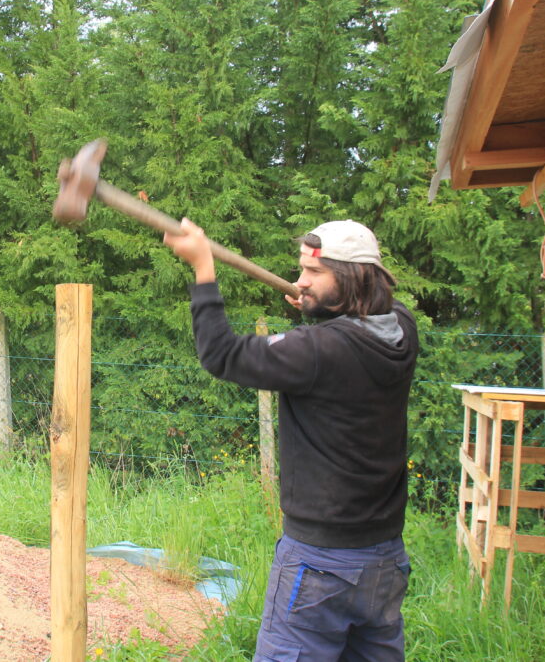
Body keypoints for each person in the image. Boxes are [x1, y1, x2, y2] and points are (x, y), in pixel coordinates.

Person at [163, 217, 418, 662]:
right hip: (384, 558)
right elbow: (351, 325)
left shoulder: (319, 352)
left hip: (321, 561)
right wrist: (317, 303)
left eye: (314, 273)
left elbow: (221, 355)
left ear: (353, 278)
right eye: (301, 271)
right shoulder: (401, 330)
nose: (301, 281)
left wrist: (204, 272)